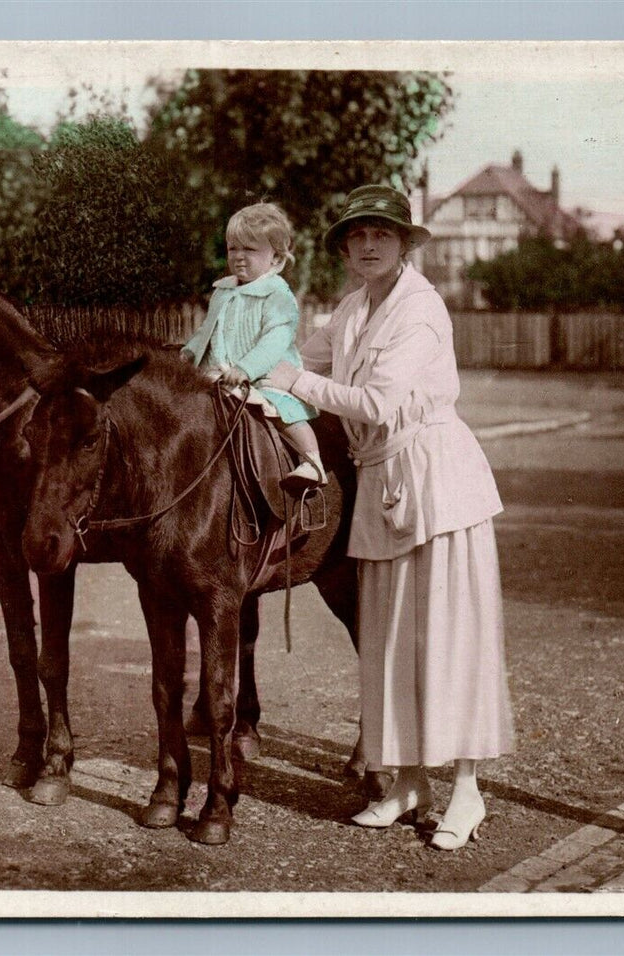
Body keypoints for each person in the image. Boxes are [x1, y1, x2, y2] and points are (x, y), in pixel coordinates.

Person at [266, 184, 514, 850]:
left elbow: (373, 403)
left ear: (404, 243)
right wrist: (235, 369)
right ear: (346, 249)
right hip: (379, 486)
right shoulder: (351, 308)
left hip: (437, 483)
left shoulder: (419, 310)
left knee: (448, 641)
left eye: (381, 234)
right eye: (356, 236)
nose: (367, 246)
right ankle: (406, 784)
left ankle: (466, 792)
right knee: (387, 641)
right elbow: (294, 360)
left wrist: (290, 383)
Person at [181, 202, 325, 488]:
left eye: (250, 250)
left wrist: (247, 367)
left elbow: (276, 339)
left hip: (265, 376)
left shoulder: (277, 294)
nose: (239, 257)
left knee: (284, 414)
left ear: (275, 259)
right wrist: (191, 351)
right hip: (222, 373)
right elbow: (209, 329)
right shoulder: (224, 291)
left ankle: (312, 462)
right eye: (233, 248)